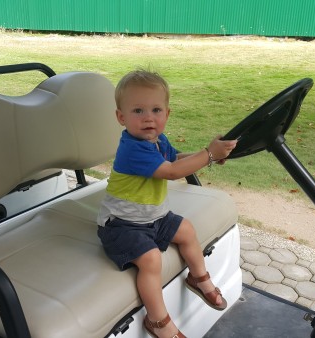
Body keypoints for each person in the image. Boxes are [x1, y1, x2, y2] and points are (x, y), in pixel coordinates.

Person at [97, 69, 237, 338]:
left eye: (156, 110)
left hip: (153, 217)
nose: (148, 117)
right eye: (138, 110)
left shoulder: (157, 140)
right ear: (121, 117)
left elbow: (175, 160)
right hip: (121, 226)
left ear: (167, 114)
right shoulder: (132, 148)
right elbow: (172, 173)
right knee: (150, 260)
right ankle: (158, 321)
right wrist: (208, 155)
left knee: (186, 229)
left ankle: (199, 278)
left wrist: (206, 155)